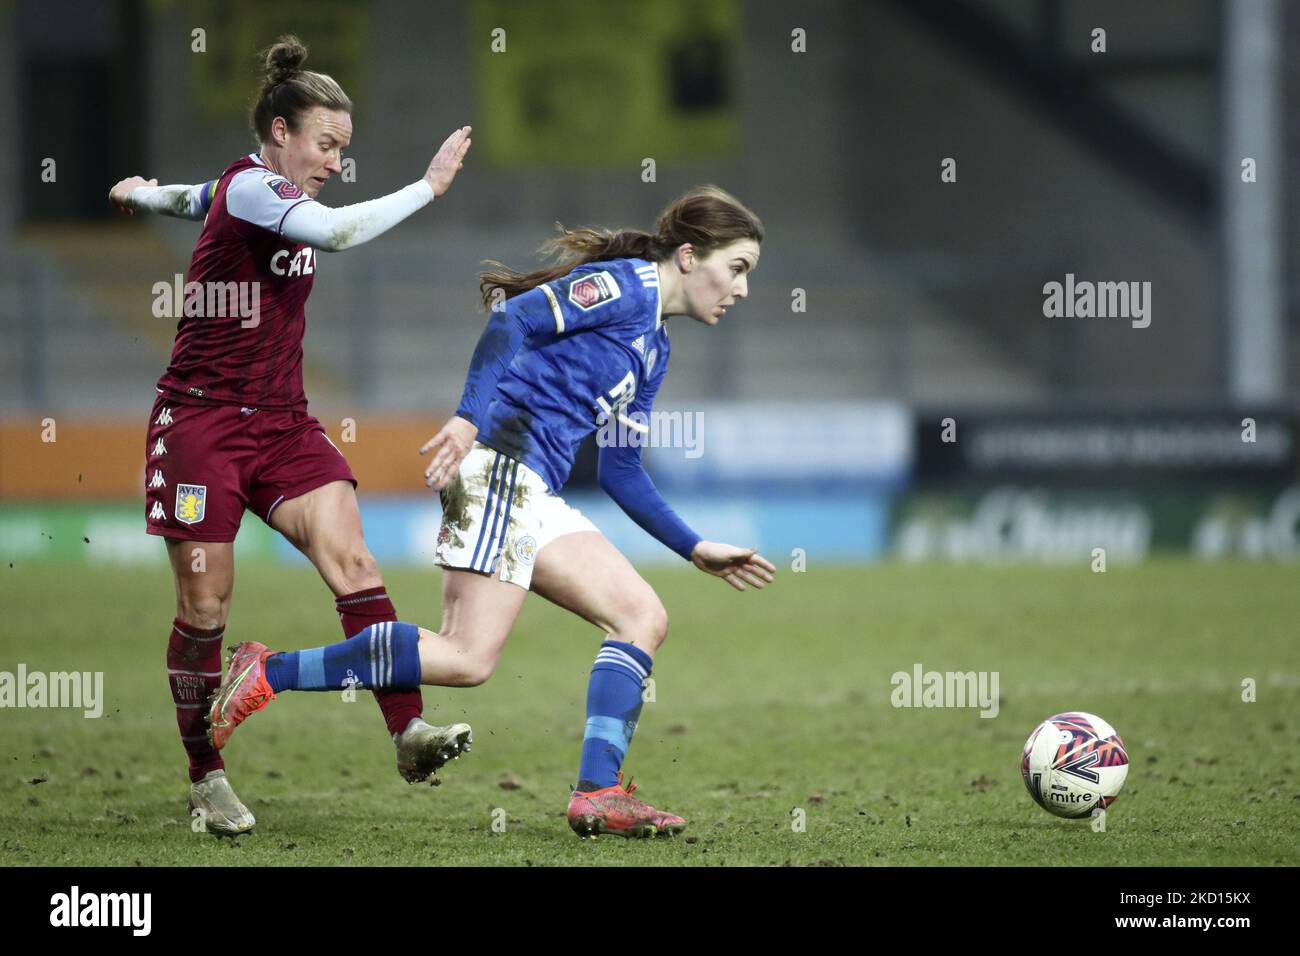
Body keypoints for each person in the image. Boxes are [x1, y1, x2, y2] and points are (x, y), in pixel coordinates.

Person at [207, 185, 777, 839]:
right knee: (467, 659)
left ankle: (599, 793)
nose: (742, 288)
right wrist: (467, 418)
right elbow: (512, 320)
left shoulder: (655, 347)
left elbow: (620, 467)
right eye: (737, 268)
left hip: (535, 491)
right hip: (500, 470)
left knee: (642, 616)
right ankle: (268, 669)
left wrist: (694, 546)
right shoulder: (624, 287)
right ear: (687, 256)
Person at [107, 35, 473, 837]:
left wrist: (144, 194)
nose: (337, 162)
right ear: (280, 131)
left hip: (281, 422)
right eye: (327, 144)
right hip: (200, 423)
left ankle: (407, 730)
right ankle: (206, 778)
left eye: (344, 148)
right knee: (206, 609)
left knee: (355, 561)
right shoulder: (257, 191)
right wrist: (428, 187)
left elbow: (194, 196)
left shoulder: (237, 190)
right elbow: (336, 233)